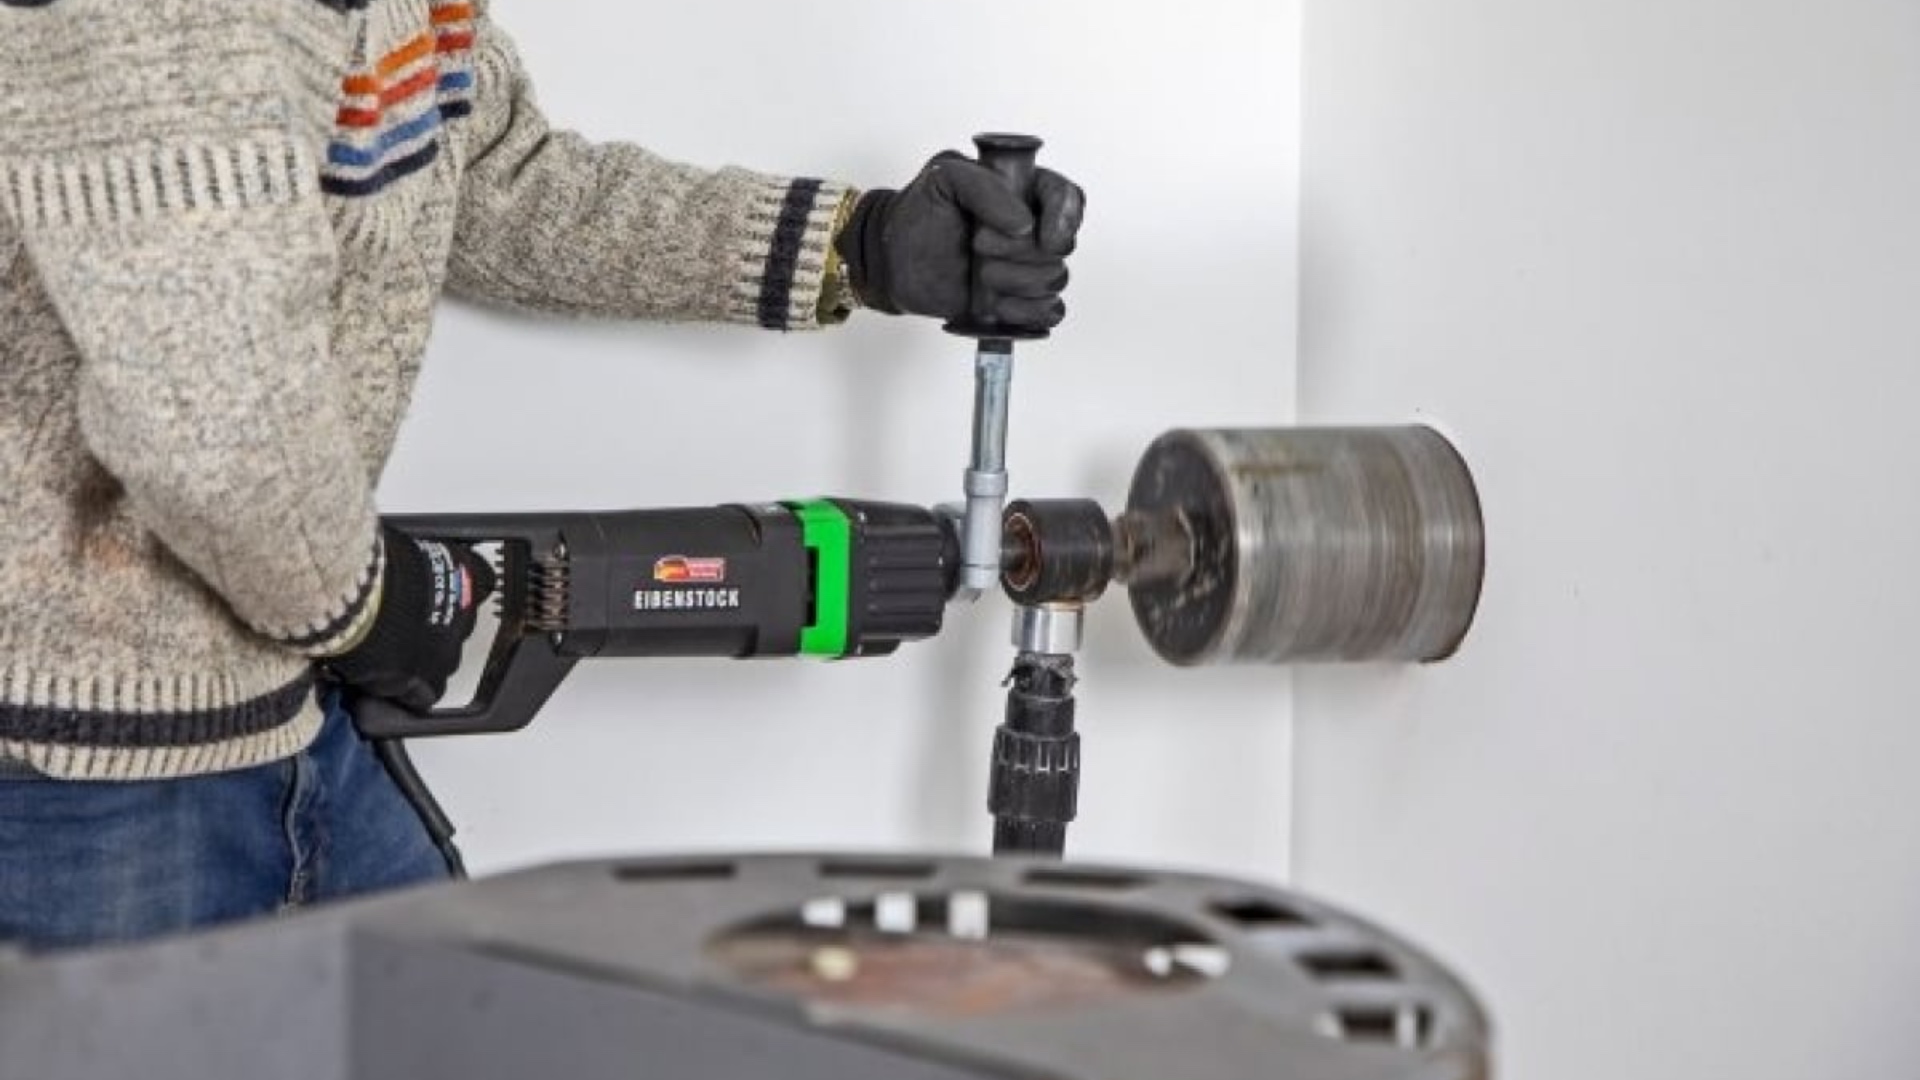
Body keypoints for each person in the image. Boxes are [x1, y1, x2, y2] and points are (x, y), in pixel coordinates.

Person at [0, 0, 1082, 952]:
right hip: (80, 773)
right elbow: (206, 400)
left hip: (287, 702)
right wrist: (369, 606)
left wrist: (856, 246)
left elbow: (490, 176)